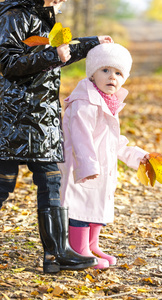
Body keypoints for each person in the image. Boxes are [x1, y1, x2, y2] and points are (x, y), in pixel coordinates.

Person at [0, 0, 113, 274]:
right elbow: (8, 63)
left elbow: (57, 53)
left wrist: (91, 43)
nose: (61, 1)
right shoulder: (14, 15)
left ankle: (56, 254)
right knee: (2, 185)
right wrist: (53, 56)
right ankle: (56, 254)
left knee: (51, 180)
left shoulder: (43, 16)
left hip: (41, 118)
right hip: (15, 117)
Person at [59, 43, 150, 269]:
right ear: (93, 73)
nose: (112, 77)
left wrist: (137, 156)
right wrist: (88, 167)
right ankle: (79, 250)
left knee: (96, 205)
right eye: (105, 70)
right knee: (80, 206)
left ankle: (92, 245)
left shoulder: (109, 102)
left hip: (99, 166)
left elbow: (113, 141)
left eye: (118, 73)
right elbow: (81, 137)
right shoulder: (85, 102)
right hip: (82, 166)